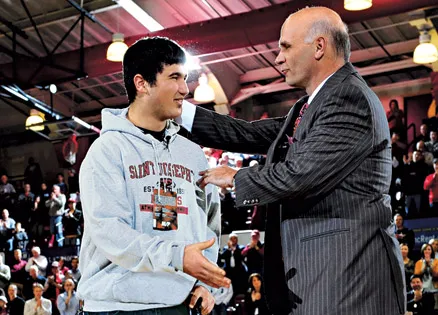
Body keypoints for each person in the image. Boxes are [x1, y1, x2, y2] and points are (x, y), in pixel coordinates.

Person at [178, 6, 405, 315]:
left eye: (285, 46)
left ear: (319, 46)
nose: (277, 58)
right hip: (322, 278)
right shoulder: (309, 106)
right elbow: (246, 133)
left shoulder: (349, 98)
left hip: (350, 279)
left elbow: (302, 174)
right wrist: (180, 110)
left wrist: (236, 178)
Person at [77, 36, 229, 315]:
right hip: (118, 307)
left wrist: (202, 279)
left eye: (185, 78)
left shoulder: (192, 153)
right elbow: (109, 232)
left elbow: (209, 225)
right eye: (174, 77)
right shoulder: (107, 150)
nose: (185, 89)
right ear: (142, 83)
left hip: (179, 304)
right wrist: (177, 258)